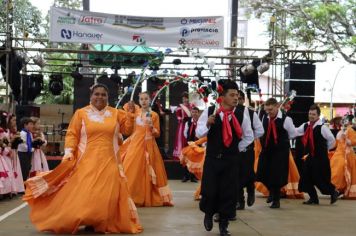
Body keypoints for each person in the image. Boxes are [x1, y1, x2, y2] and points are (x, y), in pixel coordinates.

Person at [23, 83, 142, 234]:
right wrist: (68, 152)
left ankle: (98, 221)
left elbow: (128, 130)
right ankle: (85, 218)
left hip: (110, 160)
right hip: (86, 161)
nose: (100, 97)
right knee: (87, 192)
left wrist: (130, 114)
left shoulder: (117, 113)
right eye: (96, 94)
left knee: (105, 193)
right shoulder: (81, 113)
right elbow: (72, 134)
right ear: (91, 96)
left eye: (103, 94)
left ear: (108, 97)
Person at [196, 80, 254, 236]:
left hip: (231, 160)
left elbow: (249, 137)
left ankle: (224, 224)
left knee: (229, 192)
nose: (236, 98)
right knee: (210, 190)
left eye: (237, 95)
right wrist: (207, 124)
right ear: (222, 97)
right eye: (232, 95)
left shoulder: (242, 114)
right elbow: (198, 133)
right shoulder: (210, 112)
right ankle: (208, 214)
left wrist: (235, 149)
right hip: (213, 159)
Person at [121, 92, 173, 207]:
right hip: (135, 144)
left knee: (148, 171)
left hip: (149, 145)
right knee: (131, 168)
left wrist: (152, 128)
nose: (144, 101)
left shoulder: (154, 115)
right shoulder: (135, 112)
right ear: (139, 101)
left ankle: (146, 196)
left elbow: (158, 133)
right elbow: (128, 126)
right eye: (141, 99)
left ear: (149, 100)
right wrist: (130, 110)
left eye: (146, 99)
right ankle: (129, 196)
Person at [256, 98, 297, 209]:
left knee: (276, 176)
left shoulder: (286, 119)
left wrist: (282, 141)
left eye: (271, 109)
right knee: (261, 173)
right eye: (267, 110)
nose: (269, 112)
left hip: (280, 152)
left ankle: (276, 200)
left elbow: (293, 134)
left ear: (277, 106)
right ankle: (272, 193)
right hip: (266, 150)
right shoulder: (265, 117)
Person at [296, 104, 338, 205]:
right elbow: (296, 132)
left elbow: (332, 140)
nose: (311, 116)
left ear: (318, 115)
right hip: (311, 157)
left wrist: (324, 149)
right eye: (310, 114)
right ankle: (314, 198)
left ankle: (333, 192)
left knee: (320, 179)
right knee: (305, 178)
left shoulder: (322, 127)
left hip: (321, 158)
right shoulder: (306, 125)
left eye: (313, 114)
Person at [235, 90, 264, 210]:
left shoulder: (251, 114)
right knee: (236, 176)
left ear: (243, 100)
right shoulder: (230, 112)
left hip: (247, 150)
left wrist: (250, 138)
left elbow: (260, 130)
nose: (237, 100)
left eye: (240, 98)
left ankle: (251, 189)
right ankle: (240, 201)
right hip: (234, 150)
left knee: (247, 174)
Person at [181, 106, 200, 183]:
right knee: (187, 160)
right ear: (191, 113)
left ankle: (193, 177)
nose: (194, 114)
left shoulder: (200, 122)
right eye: (193, 112)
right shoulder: (188, 122)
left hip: (198, 143)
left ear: (198, 113)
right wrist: (189, 140)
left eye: (196, 112)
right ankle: (186, 176)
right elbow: (185, 133)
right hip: (189, 143)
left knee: (195, 160)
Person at [173, 92, 191, 159]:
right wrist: (182, 119)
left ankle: (188, 153)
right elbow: (178, 116)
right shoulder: (180, 107)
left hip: (189, 124)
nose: (185, 100)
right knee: (181, 138)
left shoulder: (191, 106)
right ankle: (180, 153)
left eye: (186, 98)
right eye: (183, 98)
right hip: (182, 125)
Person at [18, 117, 34, 181]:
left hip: (28, 154)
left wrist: (33, 147)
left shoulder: (30, 133)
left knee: (28, 169)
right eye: (30, 124)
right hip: (22, 154)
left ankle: (25, 182)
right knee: (23, 170)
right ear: (25, 125)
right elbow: (23, 146)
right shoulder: (22, 133)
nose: (32, 126)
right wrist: (32, 149)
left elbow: (31, 142)